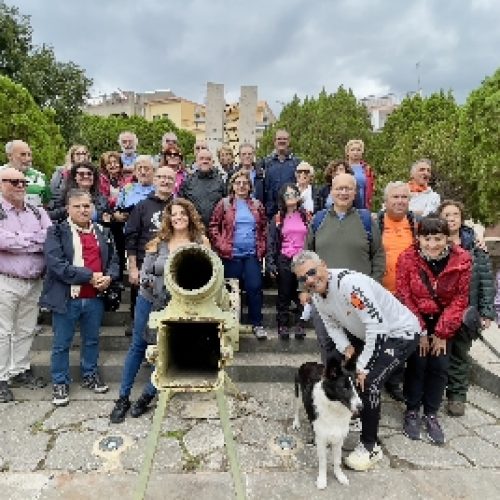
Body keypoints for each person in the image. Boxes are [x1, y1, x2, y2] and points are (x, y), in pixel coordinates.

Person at [292, 250, 420, 471]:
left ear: (323, 265)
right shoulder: (317, 296)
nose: (310, 280)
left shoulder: (349, 286)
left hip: (399, 333)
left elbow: (377, 327)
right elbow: (331, 325)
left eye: (312, 272)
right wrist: (346, 348)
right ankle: (362, 414)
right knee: (351, 374)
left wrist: (364, 366)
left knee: (368, 381)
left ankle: (370, 447)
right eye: (303, 278)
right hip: (370, 335)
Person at [110, 198, 210, 423]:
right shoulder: (158, 242)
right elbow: (145, 273)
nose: (178, 217)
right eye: (174, 214)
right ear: (168, 218)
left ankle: (147, 395)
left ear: (190, 215)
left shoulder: (201, 242)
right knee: (138, 345)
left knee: (171, 350)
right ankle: (123, 397)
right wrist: (150, 281)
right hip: (150, 300)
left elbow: (206, 274)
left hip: (181, 304)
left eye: (182, 213)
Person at [40, 188, 119, 406]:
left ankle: (89, 375)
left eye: (87, 206)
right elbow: (56, 265)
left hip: (94, 298)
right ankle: (60, 382)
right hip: (67, 298)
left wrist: (109, 278)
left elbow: (113, 260)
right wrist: (90, 276)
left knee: (92, 340)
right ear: (68, 208)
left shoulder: (103, 231)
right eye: (78, 206)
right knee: (61, 343)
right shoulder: (56, 231)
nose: (83, 210)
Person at [396, 216, 471, 444]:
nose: (432, 244)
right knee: (417, 364)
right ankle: (411, 410)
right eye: (427, 238)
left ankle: (431, 412)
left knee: (439, 366)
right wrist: (419, 331)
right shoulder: (407, 258)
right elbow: (404, 294)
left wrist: (441, 333)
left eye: (438, 238)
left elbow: (460, 298)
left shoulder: (462, 260)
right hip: (415, 317)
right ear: (419, 238)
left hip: (444, 320)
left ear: (446, 238)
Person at [438, 200, 496, 416]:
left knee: (460, 356)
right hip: (441, 311)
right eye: (446, 215)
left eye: (455, 214)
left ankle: (457, 396)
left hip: (466, 311)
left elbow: (486, 280)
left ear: (461, 219)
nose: (451, 218)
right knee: (439, 356)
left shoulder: (475, 247)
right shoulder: (434, 242)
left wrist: (487, 310)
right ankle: (434, 394)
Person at [0, 168, 51, 403]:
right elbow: (2, 240)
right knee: (3, 332)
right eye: (14, 182)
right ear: (1, 184)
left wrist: (18, 241)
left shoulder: (36, 211)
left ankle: (19, 370)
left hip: (33, 281)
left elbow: (48, 237)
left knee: (26, 329)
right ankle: (1, 378)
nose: (21, 186)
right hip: (6, 280)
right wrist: (32, 240)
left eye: (23, 182)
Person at [209, 170, 267, 339]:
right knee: (230, 292)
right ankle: (230, 325)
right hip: (230, 255)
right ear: (232, 186)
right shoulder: (224, 204)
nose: (242, 186)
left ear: (250, 186)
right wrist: (221, 245)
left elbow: (263, 228)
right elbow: (213, 226)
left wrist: (261, 248)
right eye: (238, 183)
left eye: (245, 183)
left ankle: (257, 324)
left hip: (251, 255)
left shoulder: (257, 205)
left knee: (254, 288)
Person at [375, 181, 420, 401]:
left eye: (404, 197)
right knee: (379, 337)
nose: (400, 201)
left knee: (401, 339)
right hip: (381, 292)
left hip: (407, 295)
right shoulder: (375, 223)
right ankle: (377, 377)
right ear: (386, 201)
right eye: (396, 197)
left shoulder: (415, 223)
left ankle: (394, 381)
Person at [124, 166, 176, 334]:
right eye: (161, 177)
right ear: (154, 180)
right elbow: (131, 237)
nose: (165, 181)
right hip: (143, 263)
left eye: (169, 178)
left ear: (175, 182)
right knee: (141, 314)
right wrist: (132, 267)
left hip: (170, 265)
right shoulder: (142, 206)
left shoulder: (179, 207)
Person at [266, 183, 310, 339]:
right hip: (285, 258)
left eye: (294, 193)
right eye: (287, 195)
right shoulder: (278, 218)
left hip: (303, 260)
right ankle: (282, 324)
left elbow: (312, 238)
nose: (291, 197)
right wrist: (270, 262)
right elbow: (271, 242)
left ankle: (300, 323)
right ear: (282, 199)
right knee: (284, 293)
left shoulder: (306, 216)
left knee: (302, 292)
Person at [99, 151, 134, 280]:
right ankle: (115, 279)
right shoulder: (101, 180)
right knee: (113, 252)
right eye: (109, 163)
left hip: (125, 218)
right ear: (104, 166)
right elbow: (102, 200)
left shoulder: (127, 179)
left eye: (115, 162)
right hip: (109, 220)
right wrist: (114, 214)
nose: (113, 165)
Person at [47, 162, 111, 224]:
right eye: (81, 174)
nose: (86, 176)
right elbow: (49, 215)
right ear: (75, 176)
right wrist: (69, 209)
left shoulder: (102, 198)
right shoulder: (62, 194)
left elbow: (106, 220)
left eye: (89, 174)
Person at [180, 149, 226, 228]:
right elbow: (182, 205)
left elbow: (226, 205)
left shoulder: (220, 181)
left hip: (215, 229)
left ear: (212, 162)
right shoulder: (188, 181)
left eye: (208, 159)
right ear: (196, 161)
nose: (205, 161)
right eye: (201, 159)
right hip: (194, 228)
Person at [263, 129, 301, 217]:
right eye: (279, 139)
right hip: (271, 211)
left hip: (291, 209)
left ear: (289, 141)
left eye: (285, 139)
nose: (282, 141)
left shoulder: (297, 162)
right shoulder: (266, 162)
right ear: (274, 142)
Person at [1, 140, 49, 207]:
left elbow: (47, 205)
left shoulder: (40, 177)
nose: (27, 159)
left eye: (29, 155)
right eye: (23, 154)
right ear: (10, 156)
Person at [344, 139, 375, 210]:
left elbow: (370, 188)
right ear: (347, 152)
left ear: (362, 152)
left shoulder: (367, 169)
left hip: (363, 205)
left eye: (358, 150)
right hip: (346, 202)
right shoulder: (343, 167)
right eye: (352, 150)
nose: (355, 152)